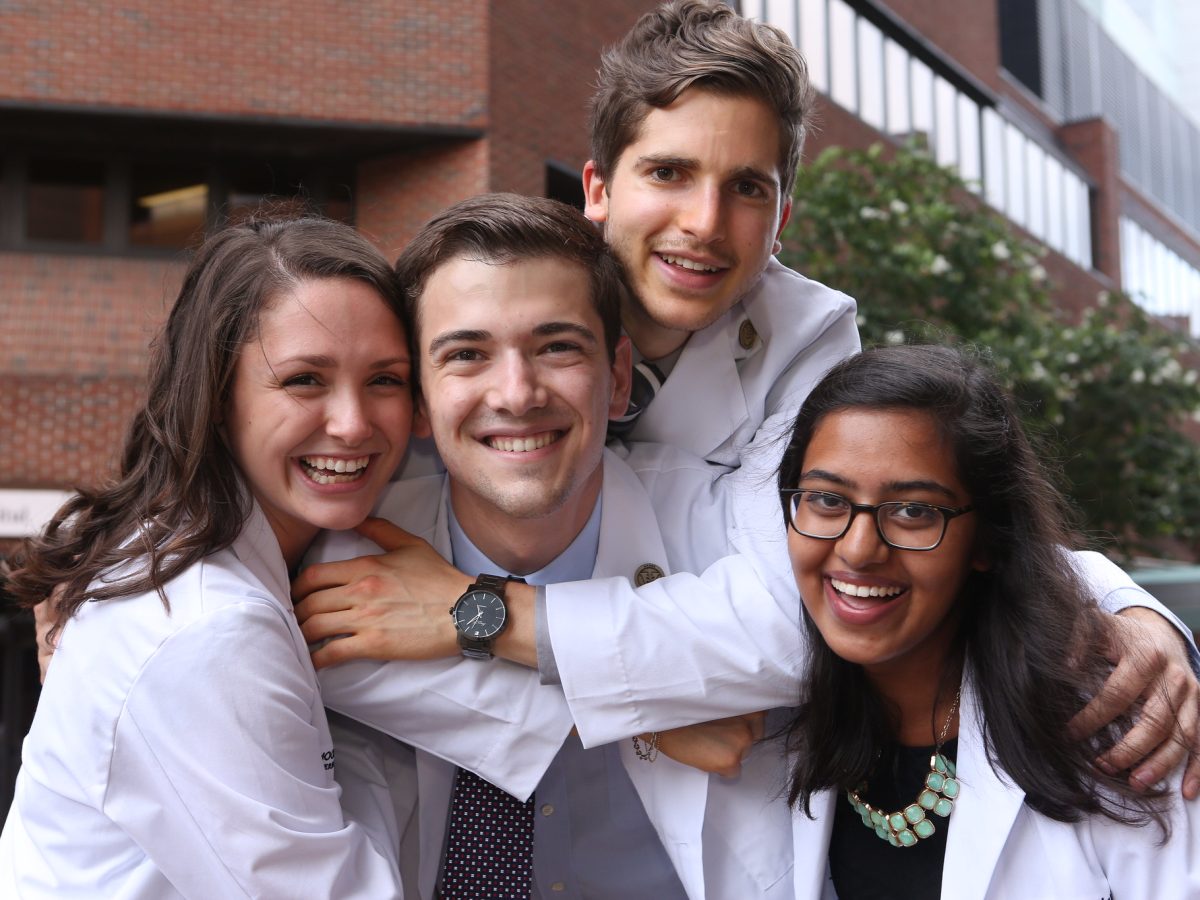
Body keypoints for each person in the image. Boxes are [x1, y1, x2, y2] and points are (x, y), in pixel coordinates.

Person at [296, 0, 1200, 798]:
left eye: (746, 189)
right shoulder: (475, 308)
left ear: (782, 220)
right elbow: (312, 614)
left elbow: (803, 610)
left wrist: (1127, 604)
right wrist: (625, 714)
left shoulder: (808, 345)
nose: (702, 222)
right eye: (668, 174)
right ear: (598, 190)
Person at [306, 194, 784, 898]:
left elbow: (798, 639)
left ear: (618, 376)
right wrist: (643, 717)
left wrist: (479, 615)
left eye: (557, 346)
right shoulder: (348, 541)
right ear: (415, 397)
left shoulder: (719, 524)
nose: (517, 393)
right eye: (467, 354)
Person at [0, 218, 412, 897]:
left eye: (386, 380)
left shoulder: (222, 555)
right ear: (217, 397)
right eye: (305, 379)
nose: (353, 423)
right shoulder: (206, 628)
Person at [779, 345, 1199, 898]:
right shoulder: (767, 721)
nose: (858, 550)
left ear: (986, 539)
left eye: (914, 511)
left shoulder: (1125, 731)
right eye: (827, 499)